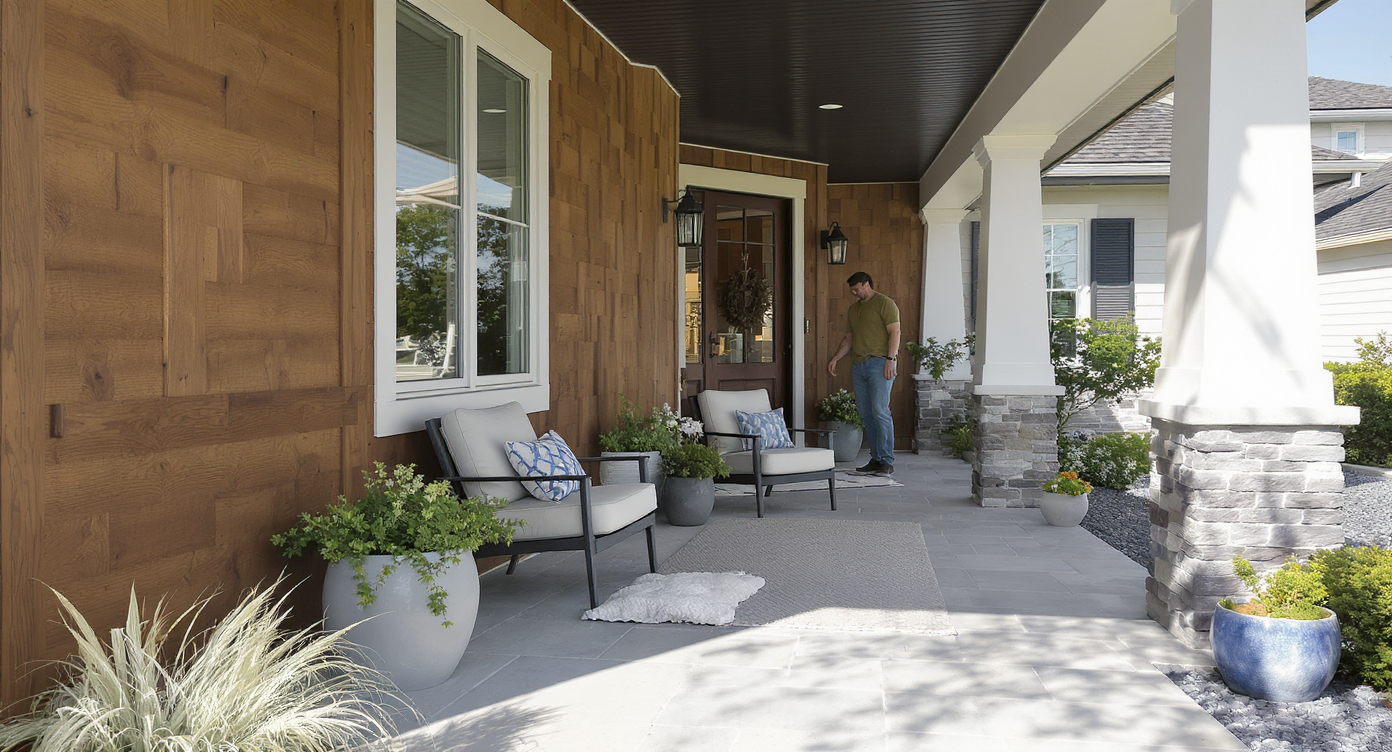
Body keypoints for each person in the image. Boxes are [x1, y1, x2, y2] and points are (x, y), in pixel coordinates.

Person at [827, 271, 900, 476]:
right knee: (866, 414)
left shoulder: (885, 304)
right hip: (858, 366)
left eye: (856, 288)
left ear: (866, 284)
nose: (854, 292)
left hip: (880, 363)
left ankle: (886, 460)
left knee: (880, 410)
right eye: (852, 289)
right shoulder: (853, 310)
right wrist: (836, 358)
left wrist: (891, 360)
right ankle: (876, 458)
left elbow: (895, 331)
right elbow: (848, 339)